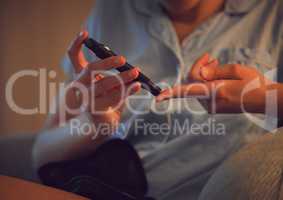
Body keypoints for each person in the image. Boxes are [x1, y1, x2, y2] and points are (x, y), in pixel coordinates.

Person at [33, 0, 283, 199]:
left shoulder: (274, 12)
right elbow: (42, 153)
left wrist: (267, 97)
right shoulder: (113, 8)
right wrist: (95, 122)